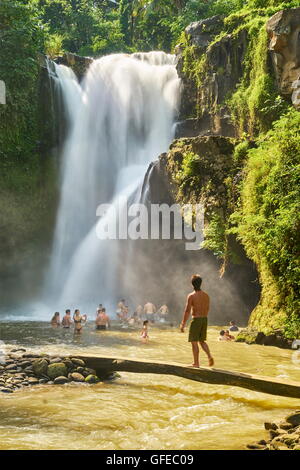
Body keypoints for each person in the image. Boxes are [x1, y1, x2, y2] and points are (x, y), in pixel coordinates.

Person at [180, 275, 214, 368]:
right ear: (200, 283)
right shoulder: (206, 296)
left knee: (194, 342)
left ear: (192, 284)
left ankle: (196, 363)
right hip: (204, 319)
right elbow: (207, 308)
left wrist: (183, 324)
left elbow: (187, 311)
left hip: (196, 319)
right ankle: (209, 356)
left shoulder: (191, 296)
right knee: (202, 341)